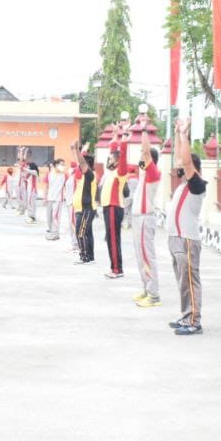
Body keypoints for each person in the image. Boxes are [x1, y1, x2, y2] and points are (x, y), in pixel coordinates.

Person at [167, 118, 207, 334]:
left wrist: (184, 134)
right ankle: (185, 316)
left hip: (187, 239)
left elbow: (186, 162)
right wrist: (177, 134)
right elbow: (179, 157)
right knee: (182, 281)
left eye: (184, 166)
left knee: (190, 280)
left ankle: (194, 320)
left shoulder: (197, 185)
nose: (180, 169)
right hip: (175, 238)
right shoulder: (183, 186)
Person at [132, 126, 163, 308]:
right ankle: (146, 288)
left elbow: (145, 150)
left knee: (147, 257)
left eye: (143, 158)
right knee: (140, 256)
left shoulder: (153, 173)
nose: (140, 160)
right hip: (138, 219)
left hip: (145, 218)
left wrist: (144, 131)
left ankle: (154, 295)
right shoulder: (144, 174)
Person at [98, 123, 128, 278]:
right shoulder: (110, 171)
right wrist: (115, 134)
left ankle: (117, 269)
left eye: (111, 159)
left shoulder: (120, 171)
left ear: (117, 161)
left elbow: (122, 154)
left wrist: (123, 138)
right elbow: (113, 148)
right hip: (107, 207)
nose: (108, 160)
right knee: (110, 239)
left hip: (114, 207)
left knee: (113, 239)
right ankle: (115, 267)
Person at [71, 139, 97, 265]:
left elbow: (81, 162)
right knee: (87, 233)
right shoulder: (84, 176)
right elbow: (79, 163)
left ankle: (84, 257)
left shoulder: (90, 175)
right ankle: (90, 257)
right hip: (82, 209)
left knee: (80, 233)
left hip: (87, 209)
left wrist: (77, 150)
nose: (81, 166)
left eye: (83, 165)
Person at [45, 158, 66, 240]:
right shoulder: (50, 174)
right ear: (56, 165)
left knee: (55, 216)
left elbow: (67, 186)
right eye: (61, 164)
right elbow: (46, 186)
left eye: (64, 165)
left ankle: (55, 233)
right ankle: (51, 231)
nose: (63, 166)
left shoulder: (64, 175)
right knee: (49, 216)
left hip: (58, 199)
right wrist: (45, 197)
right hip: (50, 198)